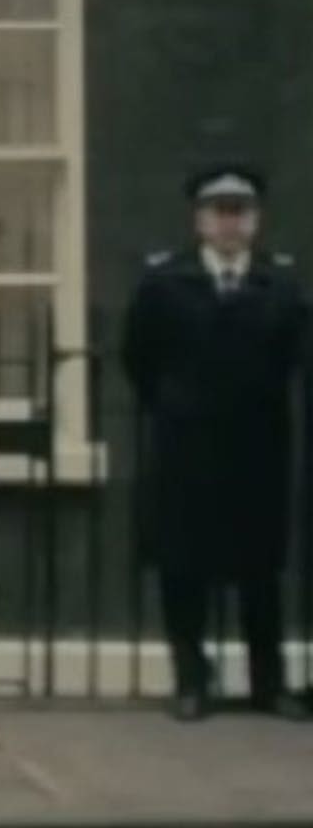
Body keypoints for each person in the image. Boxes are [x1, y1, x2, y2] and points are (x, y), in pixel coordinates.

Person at [123, 163, 310, 723]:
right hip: (187, 446)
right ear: (199, 220)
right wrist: (175, 405)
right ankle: (191, 682)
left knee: (260, 572)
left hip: (257, 448)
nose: (230, 224)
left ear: (255, 221)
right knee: (184, 567)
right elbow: (139, 358)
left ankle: (268, 684)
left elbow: (292, 357)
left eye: (240, 212)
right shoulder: (164, 283)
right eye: (219, 212)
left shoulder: (281, 285)